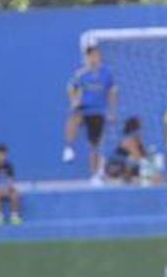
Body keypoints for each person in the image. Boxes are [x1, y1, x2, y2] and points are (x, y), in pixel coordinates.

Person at [63, 44, 118, 184]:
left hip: (98, 111)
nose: (93, 58)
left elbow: (112, 92)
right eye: (90, 55)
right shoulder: (81, 74)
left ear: (99, 56)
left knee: (95, 144)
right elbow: (71, 88)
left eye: (95, 54)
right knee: (73, 117)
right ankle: (69, 147)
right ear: (86, 57)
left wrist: (111, 111)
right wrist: (74, 101)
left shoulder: (106, 73)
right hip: (84, 108)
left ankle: (95, 174)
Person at [105, 117, 146, 184]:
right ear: (136, 130)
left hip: (120, 170)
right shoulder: (130, 140)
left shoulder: (134, 140)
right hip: (114, 171)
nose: (142, 131)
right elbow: (139, 158)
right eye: (141, 129)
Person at [0, 143, 21, 225]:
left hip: (8, 189)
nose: (0, 157)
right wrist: (0, 189)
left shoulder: (9, 166)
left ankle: (14, 216)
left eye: (3, 155)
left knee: (15, 194)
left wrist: (8, 188)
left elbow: (11, 180)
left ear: (6, 155)